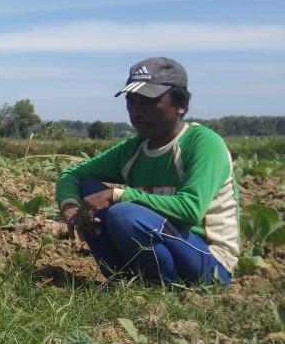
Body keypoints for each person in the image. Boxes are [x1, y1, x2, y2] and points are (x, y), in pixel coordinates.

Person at [55, 57, 240, 286]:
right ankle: (124, 281)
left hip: (209, 262)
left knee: (124, 214)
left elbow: (190, 210)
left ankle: (170, 288)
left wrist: (116, 195)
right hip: (165, 246)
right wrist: (71, 206)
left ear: (180, 103)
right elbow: (72, 175)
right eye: (131, 102)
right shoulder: (134, 149)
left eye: (148, 103)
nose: (137, 112)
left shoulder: (203, 143)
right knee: (88, 190)